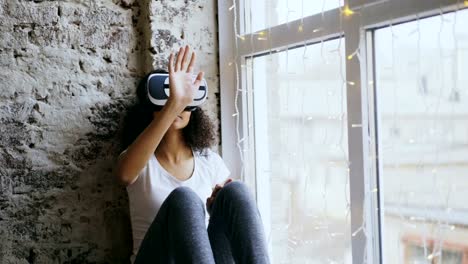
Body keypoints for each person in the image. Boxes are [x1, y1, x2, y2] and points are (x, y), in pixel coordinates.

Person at [116, 45, 270, 264]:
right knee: (185, 198)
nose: (180, 107)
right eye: (168, 99)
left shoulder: (210, 162)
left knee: (237, 191)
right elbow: (123, 175)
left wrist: (213, 208)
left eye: (185, 102)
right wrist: (174, 103)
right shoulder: (141, 160)